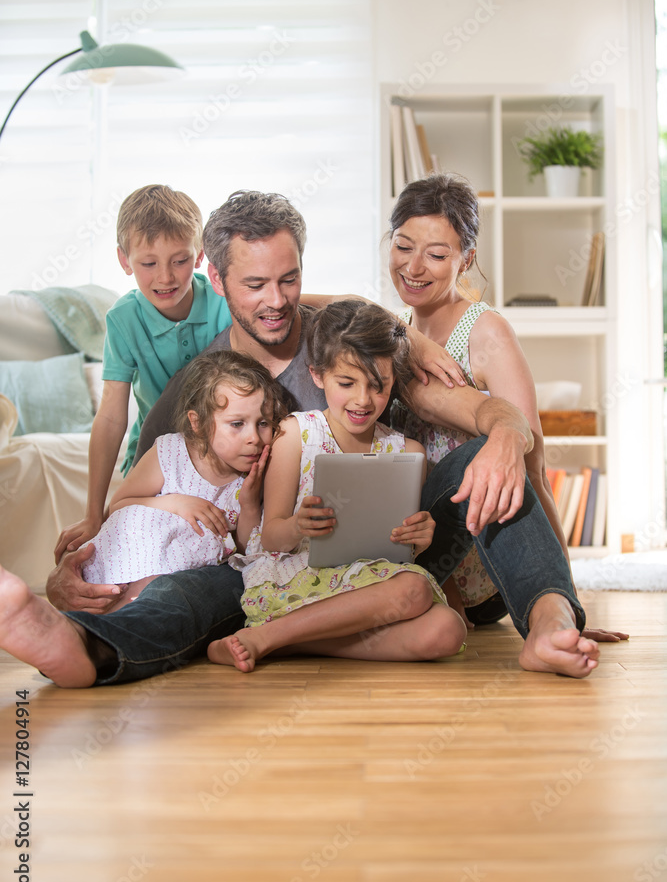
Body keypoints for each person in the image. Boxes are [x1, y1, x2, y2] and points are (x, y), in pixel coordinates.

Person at [0, 190, 600, 688]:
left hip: (397, 553)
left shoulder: (346, 349)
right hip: (265, 568)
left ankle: (549, 621)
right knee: (191, 594)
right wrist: (78, 573)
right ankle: (84, 646)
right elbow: (142, 498)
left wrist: (505, 436)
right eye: (256, 284)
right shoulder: (198, 387)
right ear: (217, 278)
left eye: (290, 280)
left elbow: (492, 414)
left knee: (484, 460)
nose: (277, 301)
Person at [387, 172, 628, 644]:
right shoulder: (392, 330)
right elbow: (323, 306)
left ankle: (548, 619)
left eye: (436, 255)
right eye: (402, 246)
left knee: (490, 454)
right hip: (411, 547)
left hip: (485, 559)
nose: (414, 267)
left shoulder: (486, 331)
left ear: (466, 259)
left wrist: (565, 597)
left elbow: (532, 470)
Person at [209, 301, 467, 672]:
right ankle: (265, 637)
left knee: (447, 630)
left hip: (369, 586)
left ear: (394, 381)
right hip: (298, 580)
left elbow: (404, 549)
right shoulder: (295, 435)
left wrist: (420, 537)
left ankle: (289, 643)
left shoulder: (407, 451)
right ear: (317, 375)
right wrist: (298, 525)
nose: (363, 400)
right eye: (346, 383)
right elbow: (269, 538)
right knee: (415, 590)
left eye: (378, 387)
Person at [54, 184, 232, 562]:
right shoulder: (123, 319)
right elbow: (111, 415)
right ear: (124, 259)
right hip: (155, 453)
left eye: (180, 260)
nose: (165, 277)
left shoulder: (223, 301)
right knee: (136, 549)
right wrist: (92, 513)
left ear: (200, 255)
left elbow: (272, 301)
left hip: (221, 450)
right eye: (148, 263)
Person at [80, 349, 288, 610]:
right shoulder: (171, 452)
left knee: (158, 597)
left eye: (263, 423)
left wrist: (249, 505)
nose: (254, 438)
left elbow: (246, 550)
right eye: (237, 424)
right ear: (198, 423)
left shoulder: (257, 473)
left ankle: (121, 618)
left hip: (180, 581)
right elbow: (118, 507)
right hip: (133, 558)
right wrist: (176, 503)